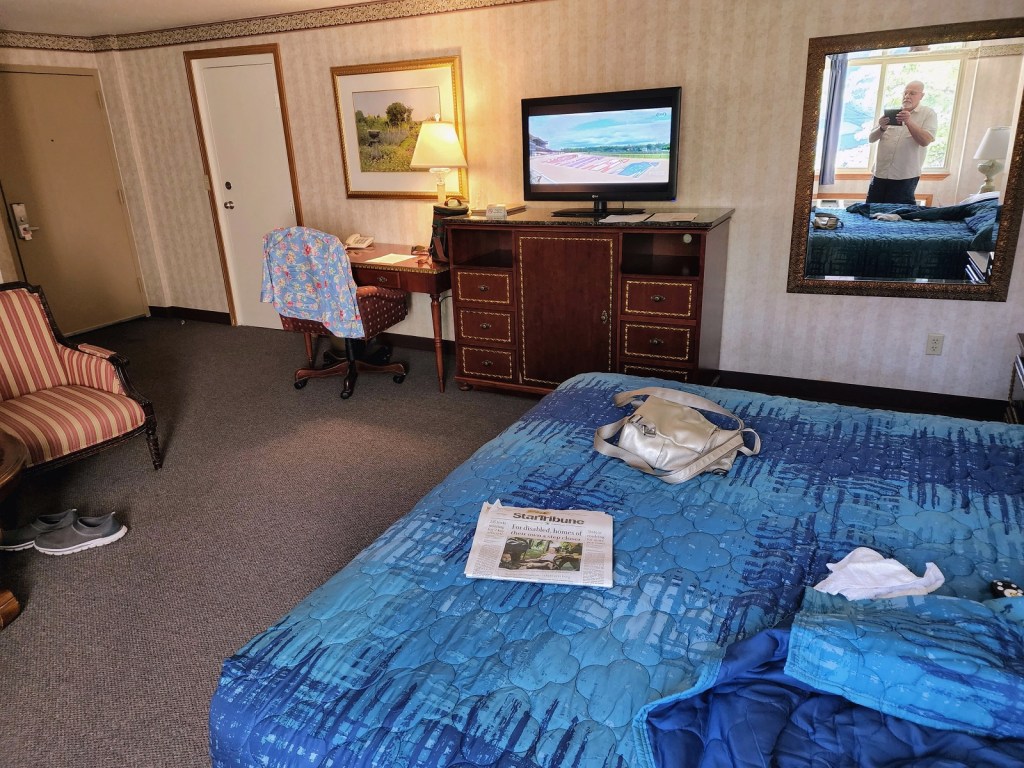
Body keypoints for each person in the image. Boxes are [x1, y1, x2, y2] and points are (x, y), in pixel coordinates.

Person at [866, 80, 938, 204]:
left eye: (912, 93)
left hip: (905, 176)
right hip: (880, 173)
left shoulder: (928, 114)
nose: (907, 96)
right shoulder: (891, 113)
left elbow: (925, 141)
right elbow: (871, 139)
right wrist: (881, 127)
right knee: (872, 210)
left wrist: (909, 122)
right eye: (905, 93)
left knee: (898, 213)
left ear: (921, 96)